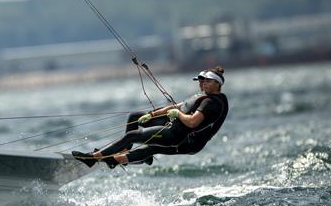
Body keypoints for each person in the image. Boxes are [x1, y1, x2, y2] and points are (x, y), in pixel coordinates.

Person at [73, 66, 229, 169]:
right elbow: (176, 107)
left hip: (177, 135)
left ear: (217, 83)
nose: (202, 84)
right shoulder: (204, 96)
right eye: (201, 81)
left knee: (134, 137)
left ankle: (95, 158)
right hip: (174, 128)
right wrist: (152, 114)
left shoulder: (211, 102)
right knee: (136, 119)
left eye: (207, 81)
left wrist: (178, 115)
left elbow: (193, 121)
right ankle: (120, 156)